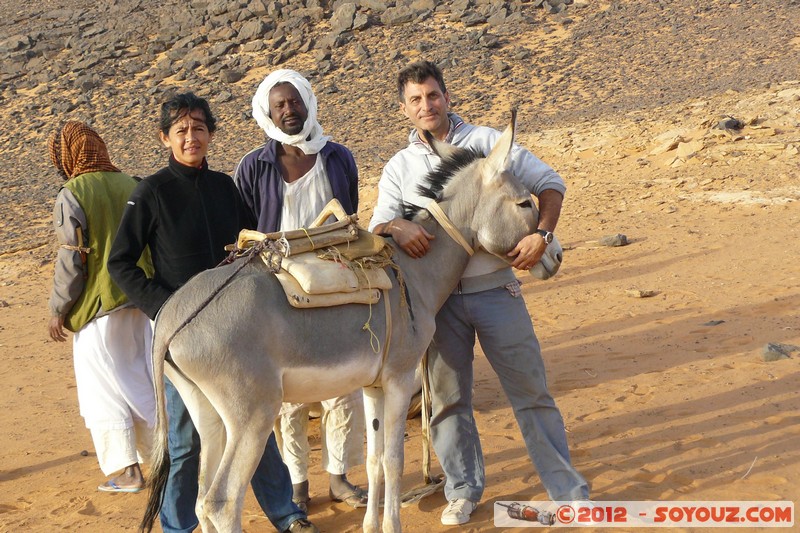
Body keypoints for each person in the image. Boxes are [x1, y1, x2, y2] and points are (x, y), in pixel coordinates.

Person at [368, 61, 590, 526]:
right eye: (415, 99)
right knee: (446, 398)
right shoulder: (400, 165)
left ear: (447, 97)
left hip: (496, 289)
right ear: (404, 108)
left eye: (432, 95)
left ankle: (567, 490)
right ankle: (463, 489)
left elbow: (550, 185)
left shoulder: (490, 143)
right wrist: (397, 225)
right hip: (437, 303)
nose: (426, 106)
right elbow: (378, 224)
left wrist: (542, 237)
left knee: (530, 390)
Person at [107, 92, 317, 533]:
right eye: (181, 130)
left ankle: (287, 515)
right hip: (184, 340)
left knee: (254, 422)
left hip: (241, 333)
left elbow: (249, 246)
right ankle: (177, 527)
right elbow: (120, 262)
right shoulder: (151, 192)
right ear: (165, 137)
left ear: (210, 134)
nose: (191, 138)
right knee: (183, 442)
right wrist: (166, 309)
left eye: (199, 128)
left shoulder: (225, 187)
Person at [234, 69, 366, 512]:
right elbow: (246, 228)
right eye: (279, 105)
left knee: (342, 383)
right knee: (287, 393)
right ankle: (297, 483)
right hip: (278, 292)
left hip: (335, 281)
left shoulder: (338, 157)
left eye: (294, 101)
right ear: (267, 114)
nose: (289, 110)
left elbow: (349, 211)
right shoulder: (254, 165)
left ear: (308, 102)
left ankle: (340, 477)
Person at [46, 121, 155, 493]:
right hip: (143, 303)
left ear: (66, 155)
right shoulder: (134, 184)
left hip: (98, 308)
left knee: (103, 391)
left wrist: (59, 308)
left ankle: (129, 470)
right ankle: (169, 457)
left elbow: (72, 261)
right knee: (144, 380)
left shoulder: (72, 193)